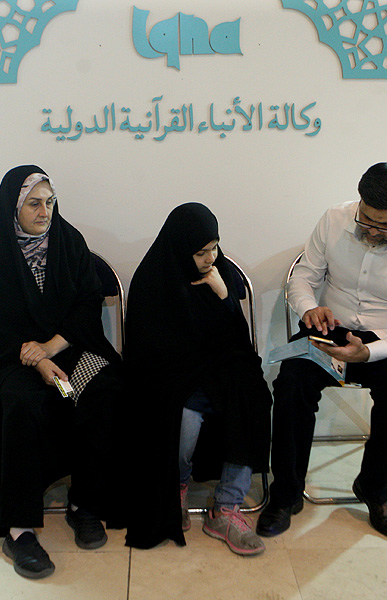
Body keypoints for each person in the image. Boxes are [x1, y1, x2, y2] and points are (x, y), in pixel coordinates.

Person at [257, 162, 387, 540]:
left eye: (386, 226)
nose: (373, 230)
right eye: (367, 219)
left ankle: (377, 491)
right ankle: (286, 493)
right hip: (330, 329)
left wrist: (371, 353)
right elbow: (303, 277)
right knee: (292, 382)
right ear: (360, 202)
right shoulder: (333, 219)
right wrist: (309, 307)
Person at [0, 165, 123, 579]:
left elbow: (87, 304)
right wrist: (39, 360)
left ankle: (84, 504)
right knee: (22, 403)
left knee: (105, 388)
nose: (44, 212)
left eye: (49, 202)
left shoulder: (69, 241)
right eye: (33, 204)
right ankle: (19, 529)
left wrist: (52, 348)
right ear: (14, 208)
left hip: (66, 348)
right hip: (11, 356)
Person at [124, 202, 272, 556]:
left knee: (252, 395)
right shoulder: (152, 279)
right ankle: (175, 488)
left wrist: (224, 296)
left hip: (219, 370)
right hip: (173, 375)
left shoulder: (221, 273)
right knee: (183, 417)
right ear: (180, 249)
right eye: (201, 252)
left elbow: (237, 341)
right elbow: (147, 352)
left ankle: (226, 508)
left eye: (214, 247)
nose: (210, 258)